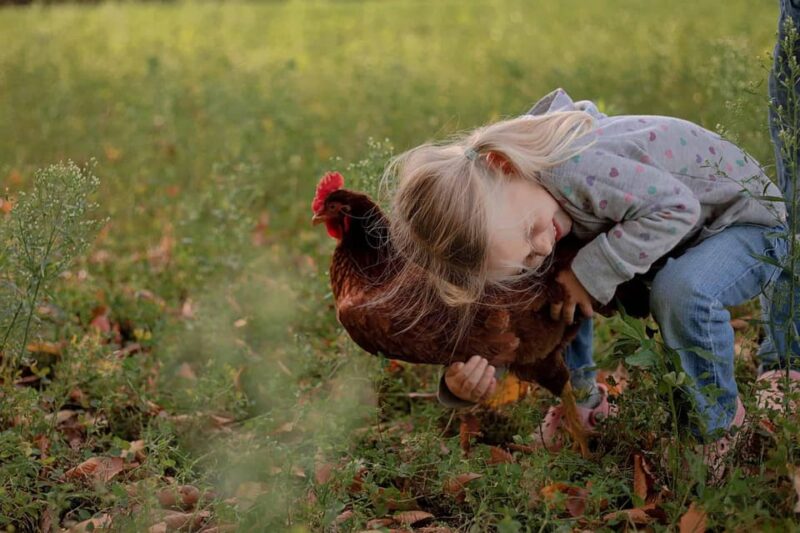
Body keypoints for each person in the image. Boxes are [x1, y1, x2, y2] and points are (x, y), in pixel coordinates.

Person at [383, 66, 800, 474]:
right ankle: (579, 400)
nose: (541, 246)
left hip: (746, 226)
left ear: (503, 166)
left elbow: (677, 209)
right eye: (525, 253)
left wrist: (589, 272)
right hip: (685, 233)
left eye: (530, 232)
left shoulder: (576, 168)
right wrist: (470, 373)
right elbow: (515, 305)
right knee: (553, 281)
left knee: (677, 290)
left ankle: (719, 428)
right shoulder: (522, 192)